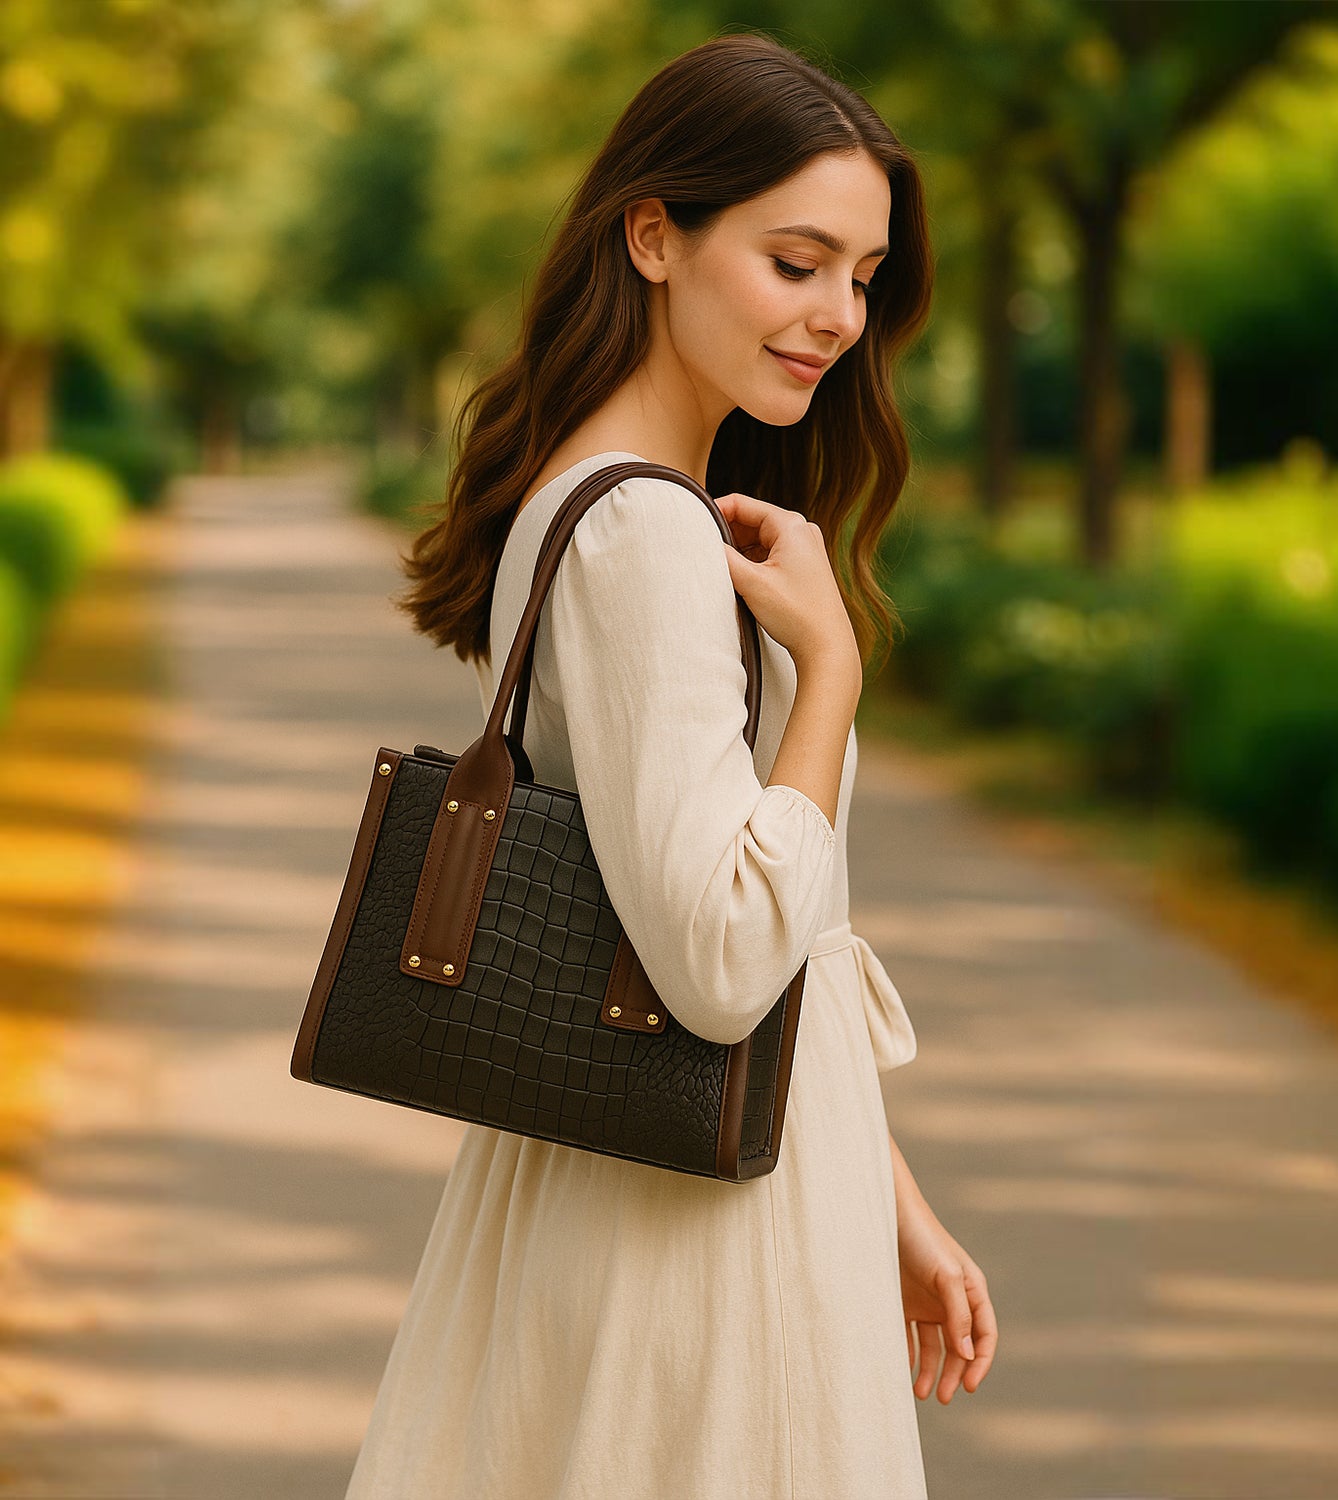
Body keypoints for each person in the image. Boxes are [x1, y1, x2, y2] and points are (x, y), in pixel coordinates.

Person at [344, 30, 997, 1500]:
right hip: (699, 1242)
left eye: (865, 276)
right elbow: (716, 959)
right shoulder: (640, 538)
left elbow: (780, 933)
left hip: (702, 1180)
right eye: (796, 260)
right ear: (655, 235)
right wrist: (829, 668)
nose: (838, 315)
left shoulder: (634, 508)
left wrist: (888, 1201)